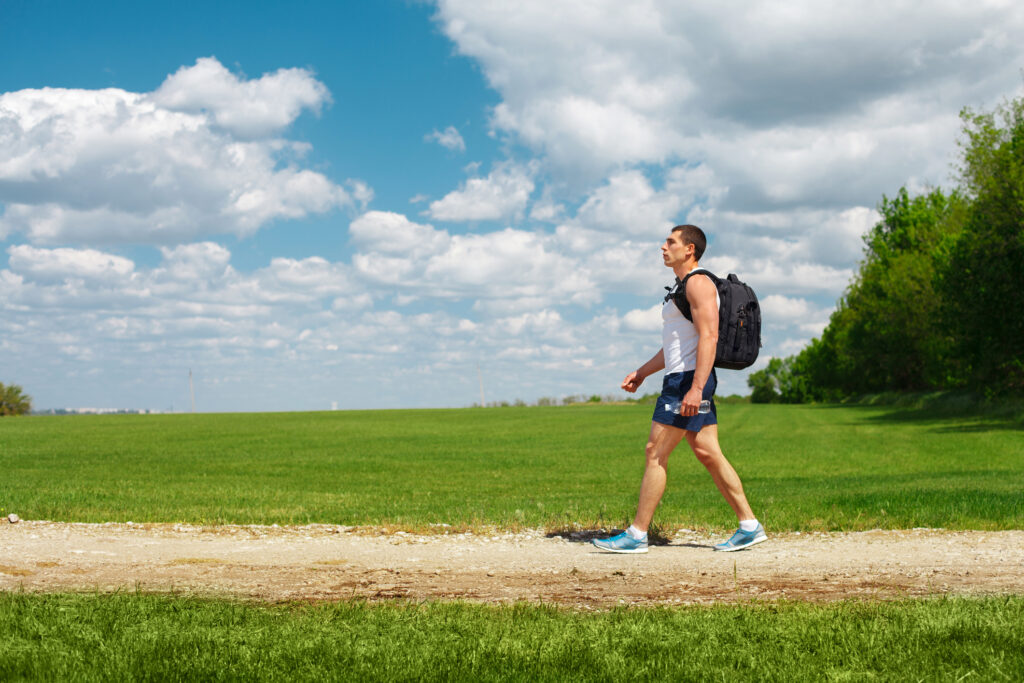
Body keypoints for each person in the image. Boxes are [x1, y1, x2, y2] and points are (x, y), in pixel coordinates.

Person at [593, 224, 766, 553]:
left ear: (690, 249)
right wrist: (642, 373)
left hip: (688, 381)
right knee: (707, 452)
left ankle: (636, 534)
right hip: (684, 377)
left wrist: (696, 387)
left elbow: (709, 337)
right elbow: (674, 346)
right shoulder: (683, 287)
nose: (663, 247)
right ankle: (749, 525)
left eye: (670, 242)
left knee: (655, 453)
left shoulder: (698, 284)